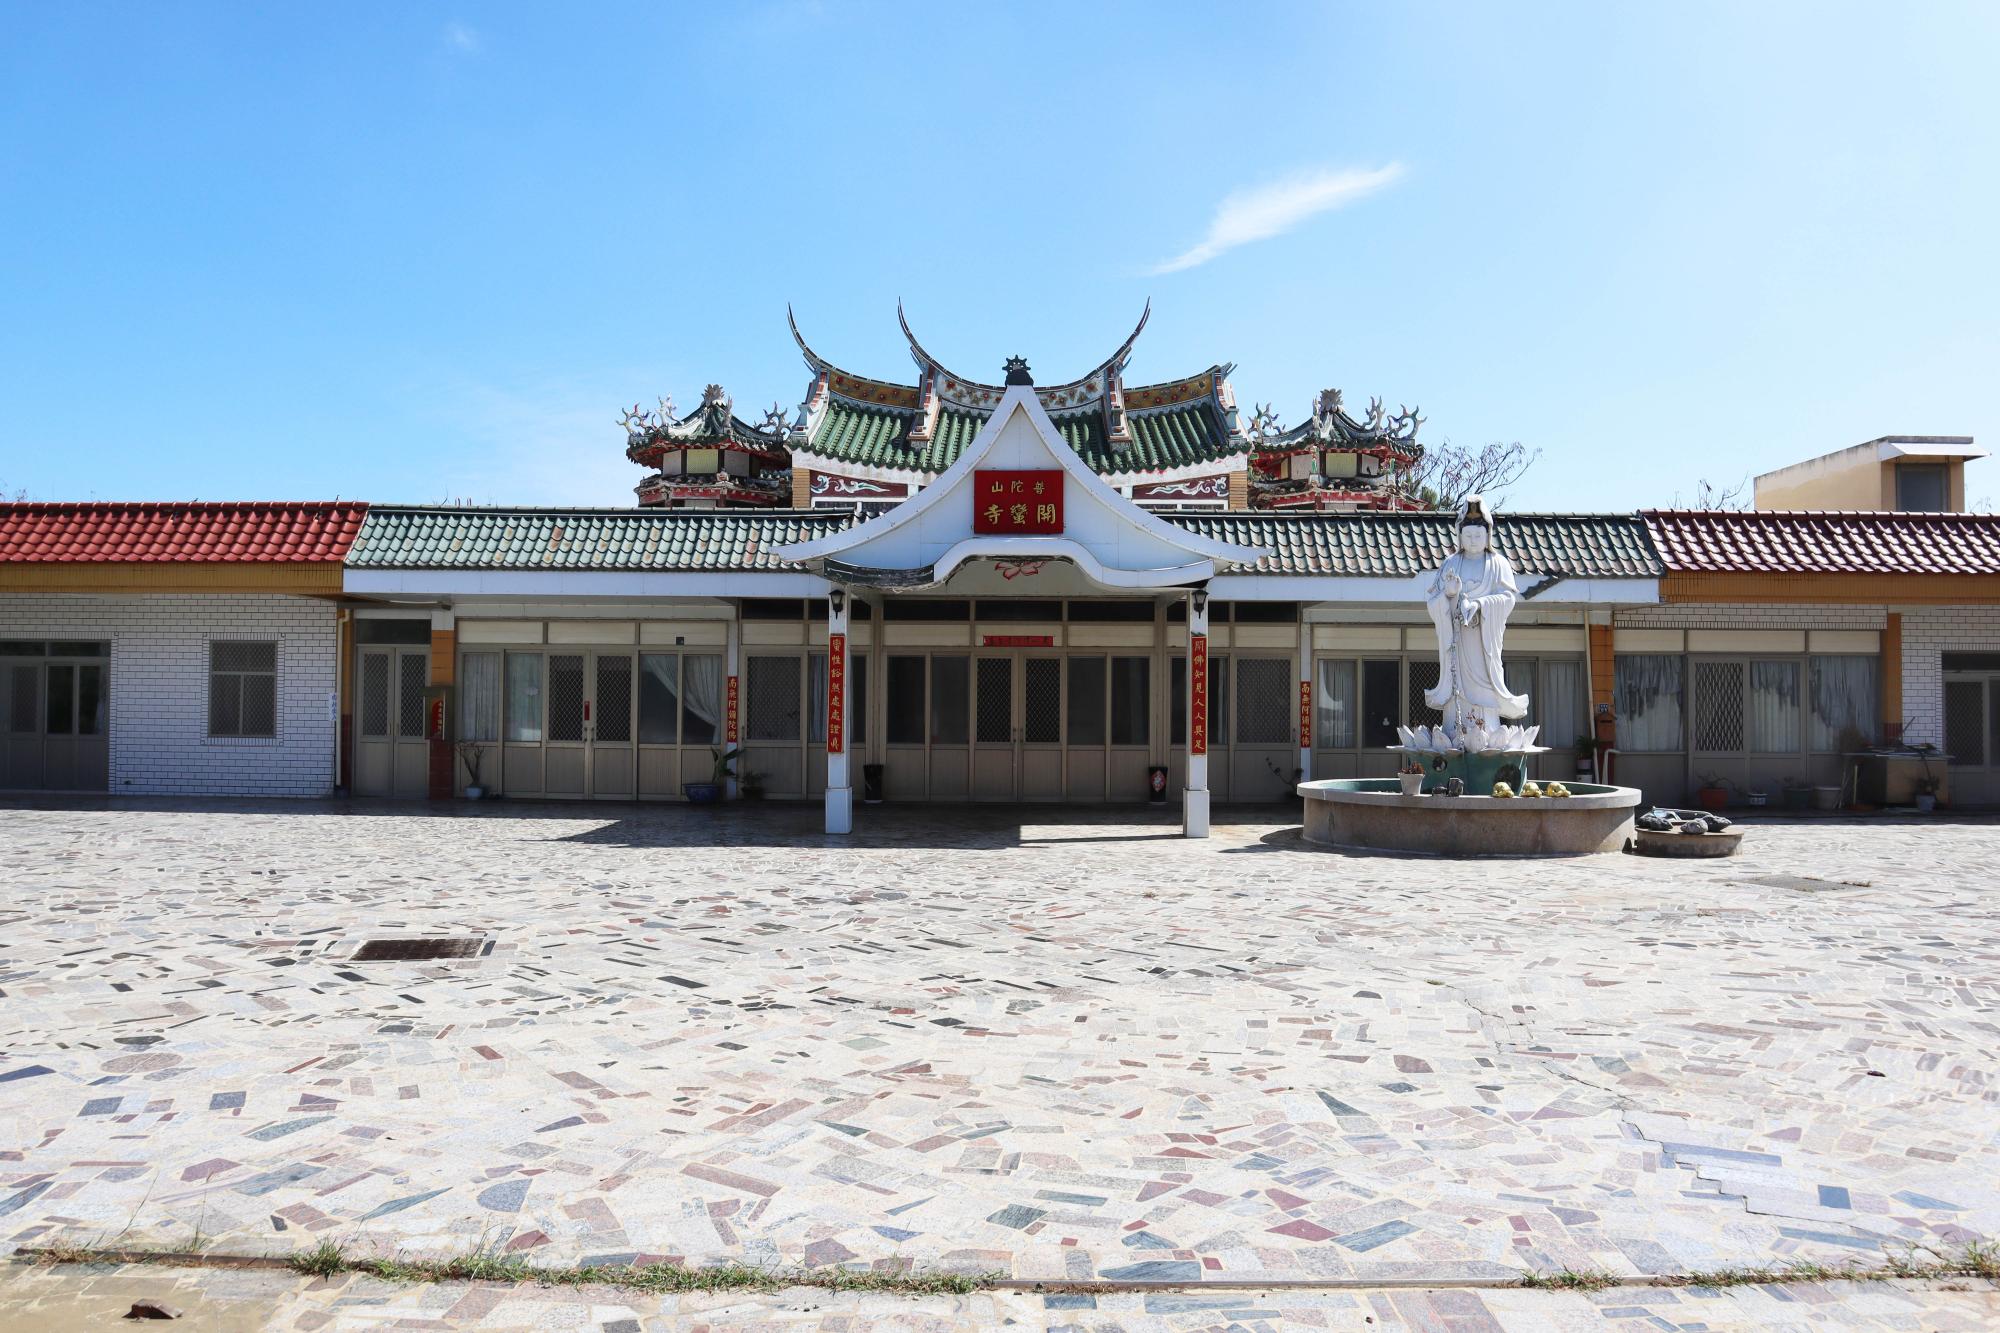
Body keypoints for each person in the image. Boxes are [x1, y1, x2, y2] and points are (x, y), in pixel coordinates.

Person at [1423, 495, 1530, 731]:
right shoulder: (1450, 564)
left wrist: (1480, 604)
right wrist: (1448, 595)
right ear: (1459, 535)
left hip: (1484, 642)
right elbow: (1433, 603)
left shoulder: (1498, 563)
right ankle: (1455, 727)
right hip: (1458, 641)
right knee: (1457, 683)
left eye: (1478, 535)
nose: (1473, 540)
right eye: (1468, 535)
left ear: (1488, 535)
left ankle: (1486, 727)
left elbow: (1508, 599)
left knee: (1486, 683)